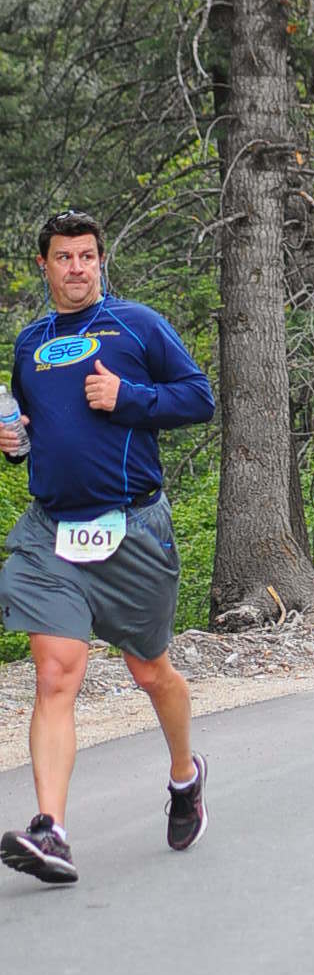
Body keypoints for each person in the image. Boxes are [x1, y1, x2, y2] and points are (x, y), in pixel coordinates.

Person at [0, 210, 215, 885]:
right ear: (45, 266)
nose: (77, 268)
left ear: (100, 261)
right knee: (55, 672)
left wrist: (130, 397)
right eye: (64, 257)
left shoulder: (137, 325)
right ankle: (52, 830)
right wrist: (13, 444)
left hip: (132, 527)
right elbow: (34, 432)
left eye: (87, 256)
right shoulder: (31, 344)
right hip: (52, 532)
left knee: (149, 671)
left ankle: (184, 776)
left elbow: (199, 398)